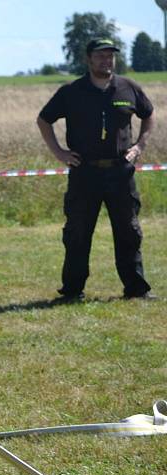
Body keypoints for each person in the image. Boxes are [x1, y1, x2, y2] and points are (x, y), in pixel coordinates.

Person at [37, 37, 155, 301]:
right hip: (85, 173)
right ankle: (72, 291)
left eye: (110, 56)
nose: (107, 60)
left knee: (128, 230)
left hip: (120, 173)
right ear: (88, 59)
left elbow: (149, 115)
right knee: (78, 232)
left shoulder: (127, 88)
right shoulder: (71, 91)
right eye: (101, 56)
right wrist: (59, 152)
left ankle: (136, 290)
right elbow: (44, 120)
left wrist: (139, 147)